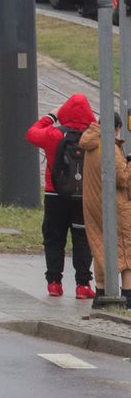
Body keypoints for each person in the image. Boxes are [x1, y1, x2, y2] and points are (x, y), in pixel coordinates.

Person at [27, 94, 96, 298]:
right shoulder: (93, 138)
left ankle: (54, 283)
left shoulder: (54, 135)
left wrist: (51, 116)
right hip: (84, 196)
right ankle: (83, 285)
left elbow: (31, 133)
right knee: (82, 238)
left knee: (54, 237)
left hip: (54, 193)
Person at [81, 113, 131, 303]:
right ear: (117, 127)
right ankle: (127, 295)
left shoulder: (91, 144)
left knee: (101, 248)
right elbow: (123, 178)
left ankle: (100, 294)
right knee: (127, 250)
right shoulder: (109, 147)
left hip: (94, 204)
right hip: (116, 206)